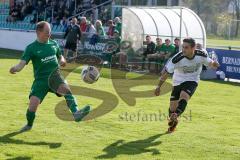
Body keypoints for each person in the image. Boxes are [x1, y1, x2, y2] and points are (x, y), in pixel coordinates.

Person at [9, 21, 91, 132]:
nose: (49, 34)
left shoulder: (53, 44)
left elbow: (60, 56)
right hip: (40, 81)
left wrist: (62, 60)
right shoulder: (31, 48)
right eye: (47, 32)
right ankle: (29, 125)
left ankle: (76, 113)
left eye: (50, 32)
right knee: (33, 105)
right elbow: (21, 64)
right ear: (38, 32)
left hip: (55, 76)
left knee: (66, 90)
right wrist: (14, 69)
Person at [154, 38, 219, 133]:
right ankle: (173, 121)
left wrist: (215, 64)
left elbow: (211, 64)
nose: (183, 49)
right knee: (172, 108)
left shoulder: (201, 55)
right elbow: (166, 73)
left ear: (193, 48)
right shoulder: (177, 58)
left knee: (184, 96)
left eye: (186, 47)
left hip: (192, 80)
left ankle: (176, 114)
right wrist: (158, 86)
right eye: (182, 47)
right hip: (177, 81)